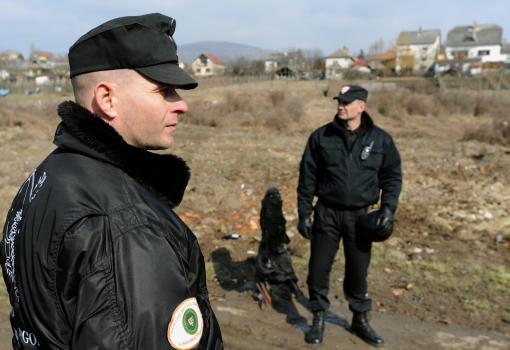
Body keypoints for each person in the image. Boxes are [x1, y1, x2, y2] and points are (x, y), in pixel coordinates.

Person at [0, 14, 223, 350]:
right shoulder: (126, 226)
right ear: (107, 100)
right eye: (164, 90)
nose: (182, 105)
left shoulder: (44, 177)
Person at [297, 85, 402, 347]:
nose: (340, 106)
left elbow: (392, 177)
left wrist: (388, 209)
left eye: (346, 102)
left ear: (361, 106)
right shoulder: (321, 137)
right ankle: (319, 317)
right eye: (339, 101)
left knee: (358, 271)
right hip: (327, 213)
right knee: (318, 269)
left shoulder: (381, 140)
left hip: (361, 217)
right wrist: (304, 212)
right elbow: (307, 177)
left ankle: (360, 320)